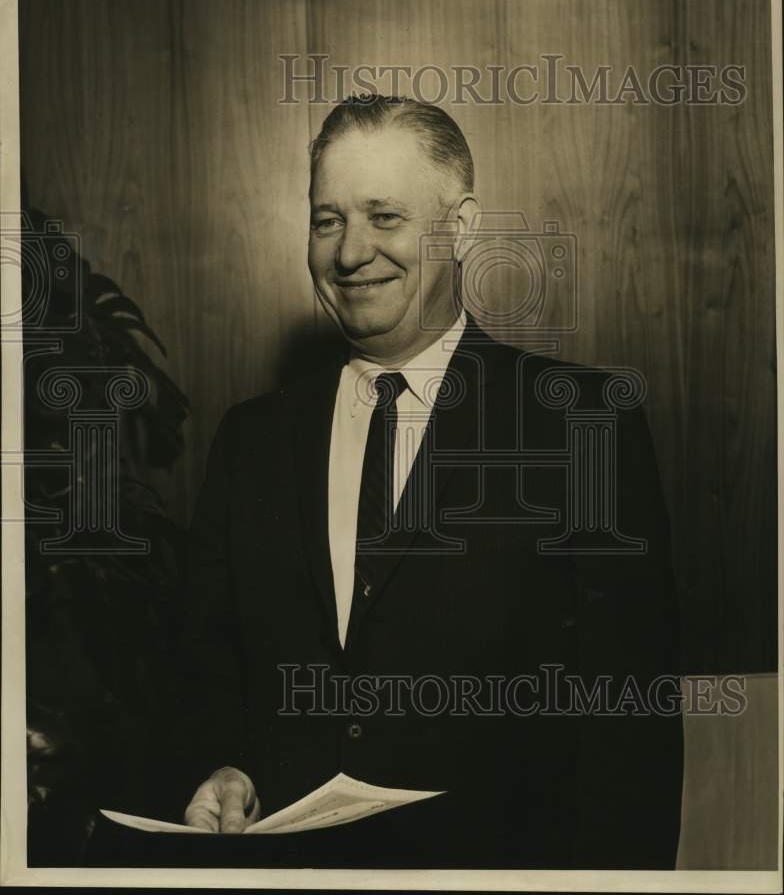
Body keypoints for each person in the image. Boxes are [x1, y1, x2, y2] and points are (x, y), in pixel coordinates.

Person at [156, 95, 683, 869]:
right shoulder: (250, 441)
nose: (349, 253)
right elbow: (209, 673)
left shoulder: (582, 428)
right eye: (327, 219)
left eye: (384, 217)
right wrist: (222, 769)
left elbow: (629, 739)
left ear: (460, 227)